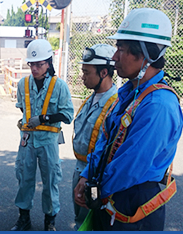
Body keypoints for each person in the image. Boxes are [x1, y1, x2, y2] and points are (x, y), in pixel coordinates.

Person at [74, 8, 183, 231]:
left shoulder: (158, 105)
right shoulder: (128, 94)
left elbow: (132, 164)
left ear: (145, 55)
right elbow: (105, 140)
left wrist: (97, 190)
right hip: (112, 192)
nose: (114, 58)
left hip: (134, 203)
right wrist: (87, 175)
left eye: (120, 49)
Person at [11, 39, 74, 231]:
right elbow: (22, 107)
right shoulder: (23, 84)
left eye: (39, 64)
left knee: (51, 181)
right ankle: (24, 219)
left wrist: (44, 118)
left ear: (48, 63)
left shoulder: (60, 86)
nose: (35, 68)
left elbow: (68, 115)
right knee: (24, 178)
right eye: (32, 64)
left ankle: (50, 221)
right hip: (27, 140)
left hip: (48, 141)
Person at [72, 44, 117, 230]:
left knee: (91, 220)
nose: (82, 77)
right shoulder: (91, 98)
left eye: (86, 72)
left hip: (95, 175)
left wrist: (88, 176)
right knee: (79, 217)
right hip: (80, 169)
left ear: (104, 72)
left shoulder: (116, 104)